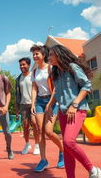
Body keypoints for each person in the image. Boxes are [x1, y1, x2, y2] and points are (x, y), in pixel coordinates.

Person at [48, 45, 101, 178]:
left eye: (51, 55)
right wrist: (50, 105)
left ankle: (93, 170)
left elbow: (87, 85)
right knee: (67, 149)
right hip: (63, 111)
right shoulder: (56, 73)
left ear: (59, 55)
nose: (49, 58)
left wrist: (75, 104)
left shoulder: (72, 67)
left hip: (77, 110)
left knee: (68, 142)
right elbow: (57, 93)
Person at [30, 44, 64, 172]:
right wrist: (33, 103)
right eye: (33, 54)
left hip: (52, 100)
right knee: (40, 131)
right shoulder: (34, 71)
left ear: (43, 54)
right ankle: (43, 160)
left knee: (49, 131)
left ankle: (62, 150)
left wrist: (50, 103)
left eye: (37, 53)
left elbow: (55, 87)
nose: (34, 56)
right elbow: (34, 88)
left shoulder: (50, 68)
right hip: (39, 101)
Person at [15, 57, 39, 155]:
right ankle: (27, 144)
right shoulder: (18, 79)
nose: (22, 66)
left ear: (29, 65)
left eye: (24, 64)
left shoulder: (33, 76)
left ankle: (37, 145)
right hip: (23, 105)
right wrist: (17, 110)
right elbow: (17, 94)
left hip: (34, 103)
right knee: (25, 126)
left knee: (34, 123)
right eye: (20, 65)